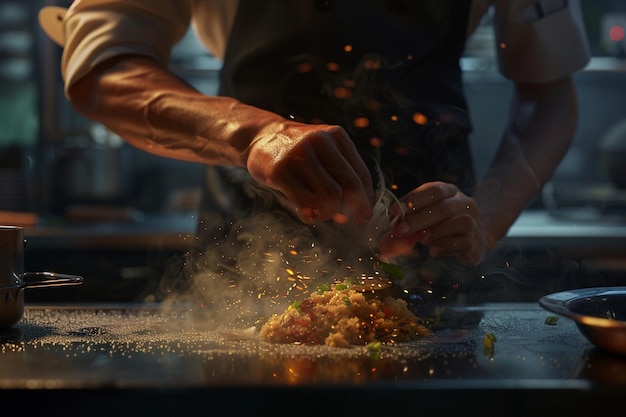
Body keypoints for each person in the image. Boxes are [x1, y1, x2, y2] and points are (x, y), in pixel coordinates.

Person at [45, 0, 590, 310]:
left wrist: (486, 215)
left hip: (438, 268)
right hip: (243, 255)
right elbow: (103, 72)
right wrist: (253, 134)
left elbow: (548, 94)